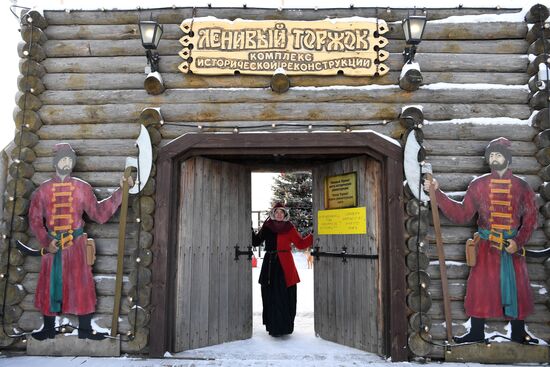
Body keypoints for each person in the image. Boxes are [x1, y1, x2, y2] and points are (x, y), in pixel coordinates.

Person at [424, 137, 538, 344]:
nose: (494, 158)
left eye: (498, 154)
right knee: (480, 288)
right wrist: (437, 193)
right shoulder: (478, 185)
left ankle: (518, 332)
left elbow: (530, 219)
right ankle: (476, 332)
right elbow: (462, 214)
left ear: (507, 158)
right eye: (491, 155)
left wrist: (518, 242)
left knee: (517, 288)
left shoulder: (522, 186)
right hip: (486, 247)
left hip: (511, 248)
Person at [28, 143, 132, 341]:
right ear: (56, 161)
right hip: (53, 246)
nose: (66, 163)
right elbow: (34, 219)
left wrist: (121, 191)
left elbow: (99, 214)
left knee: (82, 285)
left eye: (69, 160)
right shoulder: (44, 190)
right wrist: (46, 241)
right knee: (49, 284)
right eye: (63, 159)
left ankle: (85, 329)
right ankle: (49, 327)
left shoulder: (82, 188)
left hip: (76, 245)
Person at [252, 202, 313, 337]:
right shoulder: (267, 227)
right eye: (277, 212)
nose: (279, 215)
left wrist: (313, 235)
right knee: (271, 295)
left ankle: (285, 327)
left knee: (285, 295)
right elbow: (256, 242)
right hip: (269, 265)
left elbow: (301, 243)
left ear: (285, 214)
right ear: (273, 214)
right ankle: (273, 327)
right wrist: (248, 228)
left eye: (282, 212)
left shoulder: (289, 227)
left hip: (285, 264)